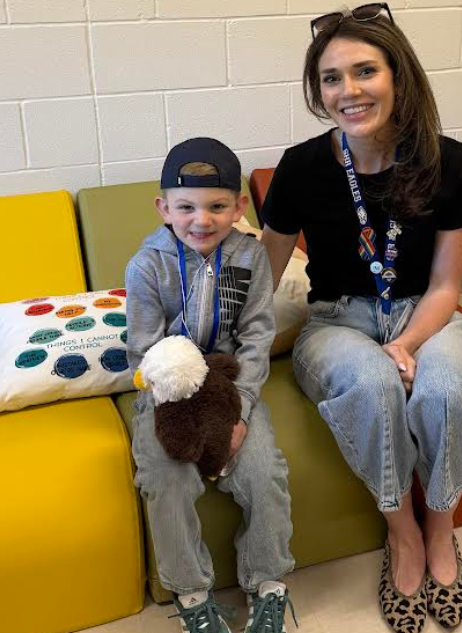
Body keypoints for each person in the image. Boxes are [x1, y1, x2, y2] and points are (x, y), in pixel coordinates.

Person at [261, 3, 462, 632]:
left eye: (364, 71)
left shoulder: (450, 161)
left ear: (398, 75)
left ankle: (441, 524)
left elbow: (447, 285)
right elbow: (263, 273)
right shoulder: (302, 167)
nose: (349, 91)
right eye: (331, 78)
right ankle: (403, 534)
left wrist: (410, 343)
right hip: (336, 320)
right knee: (368, 383)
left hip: (427, 312)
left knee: (447, 388)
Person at [123, 137, 296, 633]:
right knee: (164, 475)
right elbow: (143, 351)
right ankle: (192, 592)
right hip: (167, 388)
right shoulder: (147, 266)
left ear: (239, 207)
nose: (202, 220)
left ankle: (269, 583)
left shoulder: (251, 258)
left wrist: (237, 412)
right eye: (186, 207)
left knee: (265, 472)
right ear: (163, 208)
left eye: (218, 206)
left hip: (229, 383)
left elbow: (258, 335)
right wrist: (176, 401)